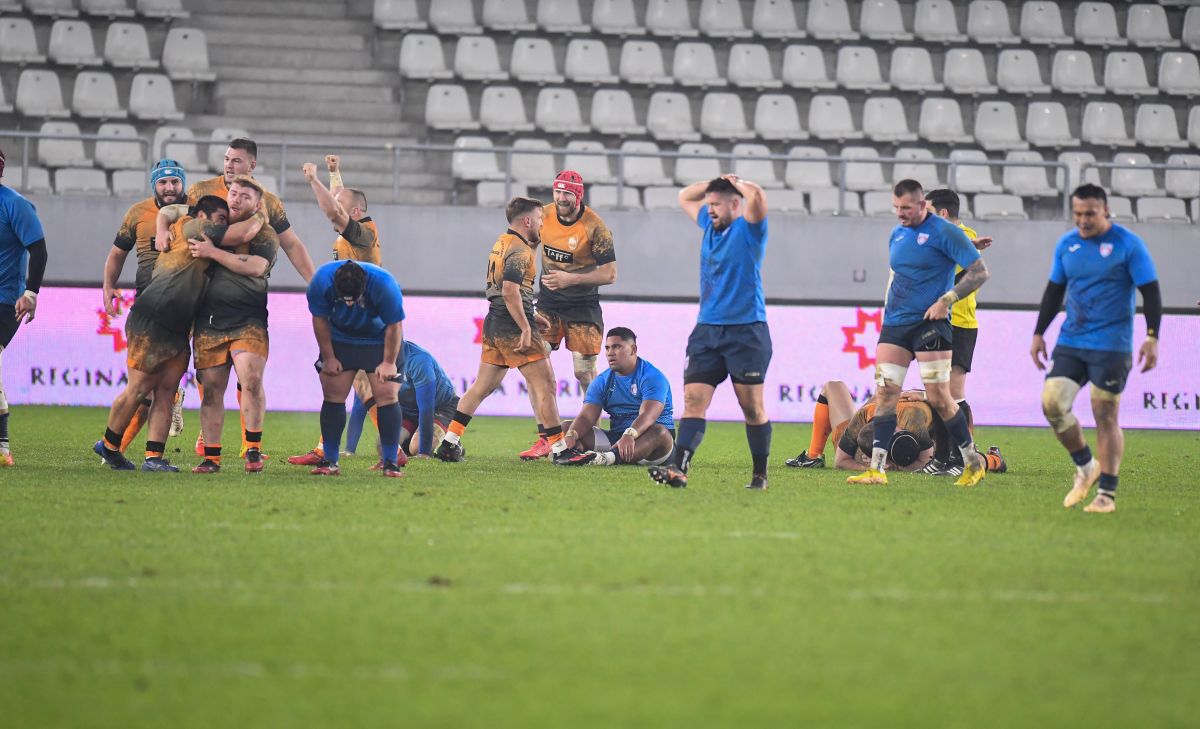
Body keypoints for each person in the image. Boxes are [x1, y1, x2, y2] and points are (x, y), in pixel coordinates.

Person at [93, 195, 264, 471]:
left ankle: (153, 458)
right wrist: (261, 210)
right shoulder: (194, 228)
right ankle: (109, 444)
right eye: (220, 219)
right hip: (153, 318)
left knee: (166, 391)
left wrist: (162, 223)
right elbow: (245, 232)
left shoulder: (187, 228)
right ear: (202, 217)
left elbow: (169, 211)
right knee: (139, 388)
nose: (222, 225)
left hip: (178, 325)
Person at [848, 179, 990, 488]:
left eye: (907, 208)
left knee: (940, 397)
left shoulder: (945, 231)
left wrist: (946, 300)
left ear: (922, 204)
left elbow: (980, 273)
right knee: (885, 393)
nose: (900, 213)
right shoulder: (897, 234)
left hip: (931, 324)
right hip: (896, 323)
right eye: (896, 208)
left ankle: (972, 461)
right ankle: (877, 470)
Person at [1031, 184, 1160, 514]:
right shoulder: (1067, 243)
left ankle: (1106, 494)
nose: (1083, 220)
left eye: (1089, 213)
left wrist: (1152, 336)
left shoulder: (1128, 245)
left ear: (1106, 211)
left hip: (1111, 345)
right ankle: (1086, 465)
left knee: (1105, 414)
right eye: (1077, 214)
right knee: (1052, 404)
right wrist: (1038, 333)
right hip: (1072, 341)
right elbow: (1053, 291)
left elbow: (1151, 292)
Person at [188, 137, 316, 458]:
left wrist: (315, 283)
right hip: (203, 295)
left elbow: (291, 244)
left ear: (252, 166)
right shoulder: (202, 192)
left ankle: (250, 445)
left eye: (237, 161)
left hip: (246, 299)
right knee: (208, 375)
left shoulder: (267, 201)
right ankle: (206, 437)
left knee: (250, 374)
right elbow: (182, 227)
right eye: (227, 159)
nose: (230, 165)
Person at [648, 175, 772, 490]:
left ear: (735, 204)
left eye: (717, 204)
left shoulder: (749, 229)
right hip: (707, 331)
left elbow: (757, 197)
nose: (710, 209)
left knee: (752, 407)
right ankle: (678, 468)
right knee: (693, 399)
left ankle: (760, 474)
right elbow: (684, 197)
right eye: (710, 204)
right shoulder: (709, 224)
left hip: (746, 331)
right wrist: (712, 185)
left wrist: (737, 182)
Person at [433, 197, 567, 463]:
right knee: (546, 385)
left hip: (494, 322)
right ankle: (561, 450)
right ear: (527, 220)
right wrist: (526, 327)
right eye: (540, 219)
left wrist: (533, 315)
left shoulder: (502, 242)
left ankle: (449, 443)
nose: (542, 224)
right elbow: (509, 291)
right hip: (511, 325)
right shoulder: (520, 250)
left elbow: (504, 292)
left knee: (481, 387)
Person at [289, 157, 384, 467]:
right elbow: (340, 200)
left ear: (354, 213)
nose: (335, 204)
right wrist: (334, 174)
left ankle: (329, 452)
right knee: (361, 388)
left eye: (342, 205)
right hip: (351, 316)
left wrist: (314, 180)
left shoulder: (362, 235)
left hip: (360, 321)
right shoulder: (356, 228)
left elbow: (333, 211)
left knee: (341, 386)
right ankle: (390, 450)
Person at [518, 170, 617, 461]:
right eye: (557, 192)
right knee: (534, 366)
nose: (561, 198)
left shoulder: (595, 227)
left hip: (583, 305)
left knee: (584, 372)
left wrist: (569, 279)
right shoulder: (543, 216)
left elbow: (610, 274)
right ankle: (545, 438)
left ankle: (593, 435)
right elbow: (529, 246)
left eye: (567, 193)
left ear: (578, 195)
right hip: (549, 304)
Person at [187, 176, 279, 474]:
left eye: (245, 196)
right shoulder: (210, 228)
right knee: (211, 390)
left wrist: (212, 253)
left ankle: (253, 450)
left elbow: (254, 267)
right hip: (209, 321)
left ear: (257, 205)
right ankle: (211, 457)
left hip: (248, 319)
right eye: (233, 194)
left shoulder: (264, 235)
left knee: (250, 379)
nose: (237, 199)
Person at [101, 158, 189, 454]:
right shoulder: (138, 213)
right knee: (144, 389)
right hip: (148, 308)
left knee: (161, 385)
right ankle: (114, 448)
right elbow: (116, 254)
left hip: (187, 308)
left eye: (174, 181)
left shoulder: (196, 212)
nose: (169, 187)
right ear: (154, 184)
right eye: (163, 182)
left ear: (183, 184)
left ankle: (123, 450)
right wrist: (108, 286)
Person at [306, 259, 407, 477]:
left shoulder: (385, 285)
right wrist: (329, 357)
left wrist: (388, 362)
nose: (349, 304)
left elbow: (395, 325)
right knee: (333, 393)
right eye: (344, 300)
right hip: (341, 338)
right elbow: (319, 320)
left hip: (379, 339)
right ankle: (330, 461)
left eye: (355, 300)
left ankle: (390, 462)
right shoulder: (321, 282)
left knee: (387, 394)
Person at [920, 188, 995, 476]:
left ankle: (958, 459)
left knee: (954, 393)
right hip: (938, 323)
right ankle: (941, 459)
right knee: (936, 392)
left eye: (927, 209)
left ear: (942, 213)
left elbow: (958, 276)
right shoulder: (940, 237)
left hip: (961, 323)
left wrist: (968, 243)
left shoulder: (962, 234)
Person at [787, 380, 1006, 473]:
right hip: (865, 434)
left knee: (962, 460)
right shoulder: (862, 422)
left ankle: (994, 460)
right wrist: (869, 467)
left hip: (918, 418)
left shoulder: (914, 420)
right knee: (833, 385)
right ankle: (813, 456)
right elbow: (841, 461)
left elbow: (927, 461)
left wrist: (893, 467)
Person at [555, 327, 675, 467]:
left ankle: (606, 458)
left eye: (616, 347)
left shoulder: (652, 377)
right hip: (618, 440)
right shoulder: (602, 381)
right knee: (566, 427)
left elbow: (648, 415)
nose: (610, 353)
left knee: (660, 432)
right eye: (607, 348)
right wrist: (572, 436)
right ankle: (581, 453)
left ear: (633, 349)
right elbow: (587, 417)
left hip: (653, 447)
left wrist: (630, 435)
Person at [0, 146, 49, 467]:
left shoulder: (15, 205)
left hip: (5, 301)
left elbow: (39, 251)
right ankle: (2, 448)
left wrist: (30, 293)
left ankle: (2, 447)